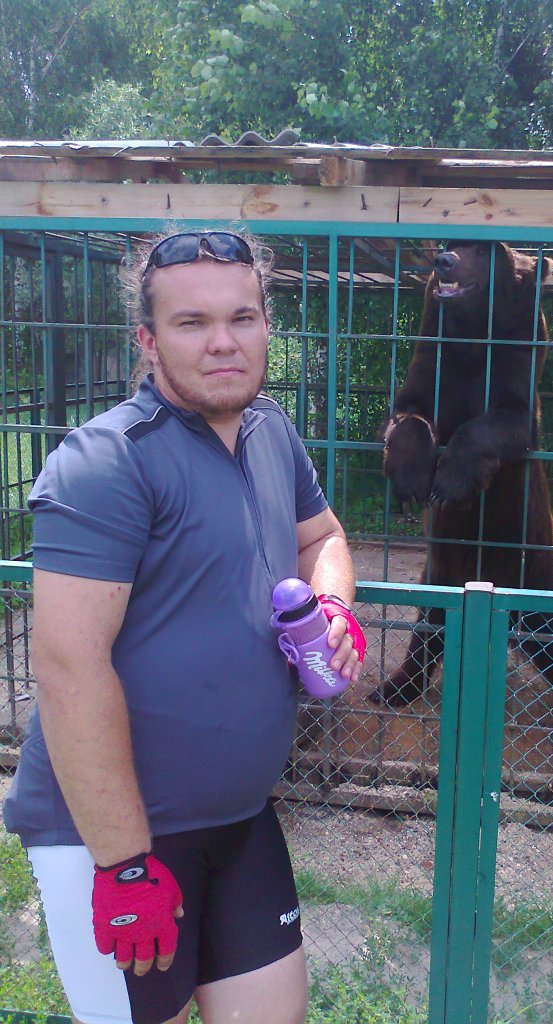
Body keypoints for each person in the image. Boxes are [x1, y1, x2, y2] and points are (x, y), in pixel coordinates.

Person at [3, 229, 366, 1024]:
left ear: (267, 325)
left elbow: (323, 538)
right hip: (113, 840)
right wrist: (123, 865)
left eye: (242, 317)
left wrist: (333, 608)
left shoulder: (271, 431)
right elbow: (66, 669)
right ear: (148, 340)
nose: (223, 342)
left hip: (240, 819)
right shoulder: (105, 463)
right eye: (192, 323)